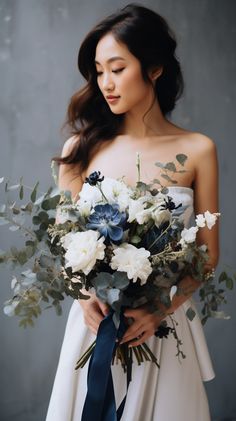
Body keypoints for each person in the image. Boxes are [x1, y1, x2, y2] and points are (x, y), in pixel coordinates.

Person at [46, 4, 219, 420]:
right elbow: (62, 245)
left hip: (163, 327)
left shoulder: (198, 149)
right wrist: (84, 295)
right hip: (96, 325)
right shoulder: (80, 150)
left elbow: (208, 258)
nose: (105, 82)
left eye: (117, 68)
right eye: (99, 71)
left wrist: (160, 308)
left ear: (154, 68)